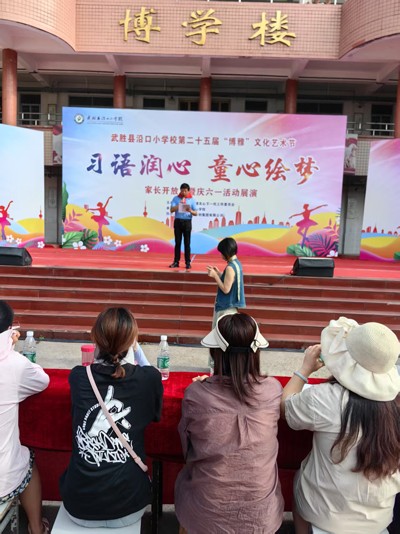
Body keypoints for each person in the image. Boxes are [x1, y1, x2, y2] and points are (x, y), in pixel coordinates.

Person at [281, 316, 400, 534]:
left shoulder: (325, 398)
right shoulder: (396, 405)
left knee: (301, 478)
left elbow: (286, 408)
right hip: (379, 518)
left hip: (324, 514)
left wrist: (304, 369)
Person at [175, 312, 284, 534]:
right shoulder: (273, 389)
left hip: (205, 515)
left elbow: (187, 449)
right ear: (256, 352)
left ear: (215, 353)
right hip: (262, 518)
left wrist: (205, 388)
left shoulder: (195, 394)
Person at [60, 307, 163, 530]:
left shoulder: (78, 377)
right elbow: (152, 378)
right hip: (129, 505)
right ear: (132, 341)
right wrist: (136, 349)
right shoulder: (149, 379)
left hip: (79, 504)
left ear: (95, 338)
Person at [0, 300, 50, 534]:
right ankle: (36, 528)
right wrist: (10, 347)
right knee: (26, 458)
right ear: (10, 329)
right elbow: (42, 381)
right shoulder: (15, 364)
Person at [207, 237, 245, 327]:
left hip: (226, 307)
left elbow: (226, 289)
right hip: (231, 306)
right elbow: (230, 280)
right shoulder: (237, 263)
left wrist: (215, 276)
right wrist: (219, 274)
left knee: (220, 332)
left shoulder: (230, 267)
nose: (221, 255)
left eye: (221, 252)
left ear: (226, 252)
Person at [169, 183, 198, 270]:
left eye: (185, 191)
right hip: (178, 222)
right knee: (177, 243)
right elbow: (171, 210)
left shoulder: (192, 200)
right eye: (182, 191)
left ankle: (188, 262)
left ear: (188, 191)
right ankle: (176, 262)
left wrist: (190, 210)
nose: (183, 192)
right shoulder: (176, 198)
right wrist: (179, 205)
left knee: (187, 243)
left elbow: (196, 213)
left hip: (187, 222)